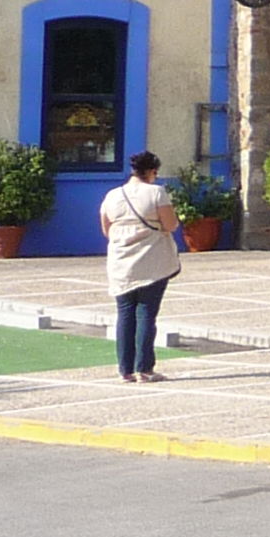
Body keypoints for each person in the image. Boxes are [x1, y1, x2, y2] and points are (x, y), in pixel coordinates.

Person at [101, 151, 182, 383]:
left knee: (125, 313)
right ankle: (145, 368)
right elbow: (171, 224)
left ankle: (125, 369)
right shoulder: (156, 193)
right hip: (151, 260)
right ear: (151, 171)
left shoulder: (112, 195)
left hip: (120, 262)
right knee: (147, 313)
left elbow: (106, 228)